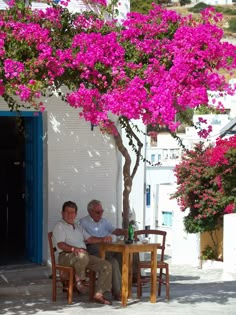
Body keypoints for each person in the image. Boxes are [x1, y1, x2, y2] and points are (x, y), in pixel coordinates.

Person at [53, 200, 113, 305]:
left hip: (82, 256)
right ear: (62, 213)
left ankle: (98, 294)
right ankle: (80, 281)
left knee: (106, 265)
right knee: (82, 255)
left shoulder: (78, 227)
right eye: (67, 212)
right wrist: (74, 249)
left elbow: (90, 239)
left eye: (72, 212)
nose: (70, 215)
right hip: (66, 256)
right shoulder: (59, 226)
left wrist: (103, 239)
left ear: (76, 214)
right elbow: (60, 245)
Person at [79, 199, 128, 301]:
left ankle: (129, 282)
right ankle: (118, 292)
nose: (100, 214)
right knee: (113, 262)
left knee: (124, 255)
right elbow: (84, 239)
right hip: (93, 249)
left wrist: (124, 232)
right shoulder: (83, 222)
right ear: (90, 212)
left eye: (102, 211)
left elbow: (114, 230)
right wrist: (102, 239)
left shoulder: (104, 221)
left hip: (107, 248)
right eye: (98, 212)